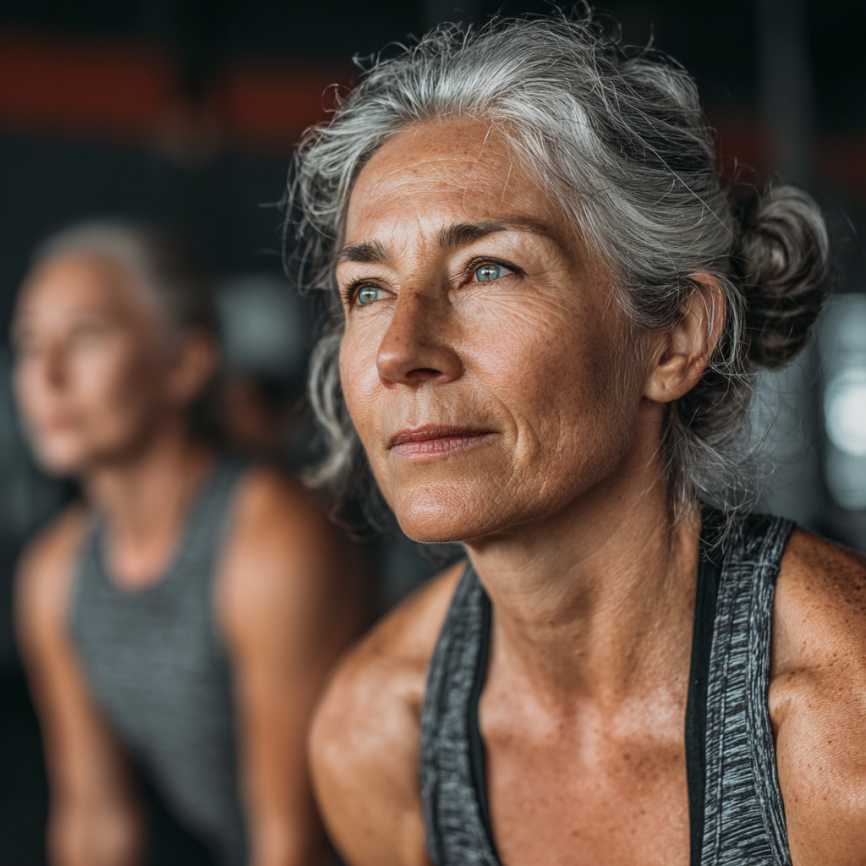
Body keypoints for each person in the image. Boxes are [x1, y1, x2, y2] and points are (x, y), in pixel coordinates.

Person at [289, 16, 866, 866]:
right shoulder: (380, 733)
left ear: (673, 338)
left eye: (489, 269)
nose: (400, 352)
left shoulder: (838, 728)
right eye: (367, 289)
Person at [12, 222, 369, 866]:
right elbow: (95, 822)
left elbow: (293, 844)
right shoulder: (54, 574)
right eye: (29, 344)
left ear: (183, 364)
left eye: (86, 336)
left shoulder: (270, 541)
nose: (48, 374)